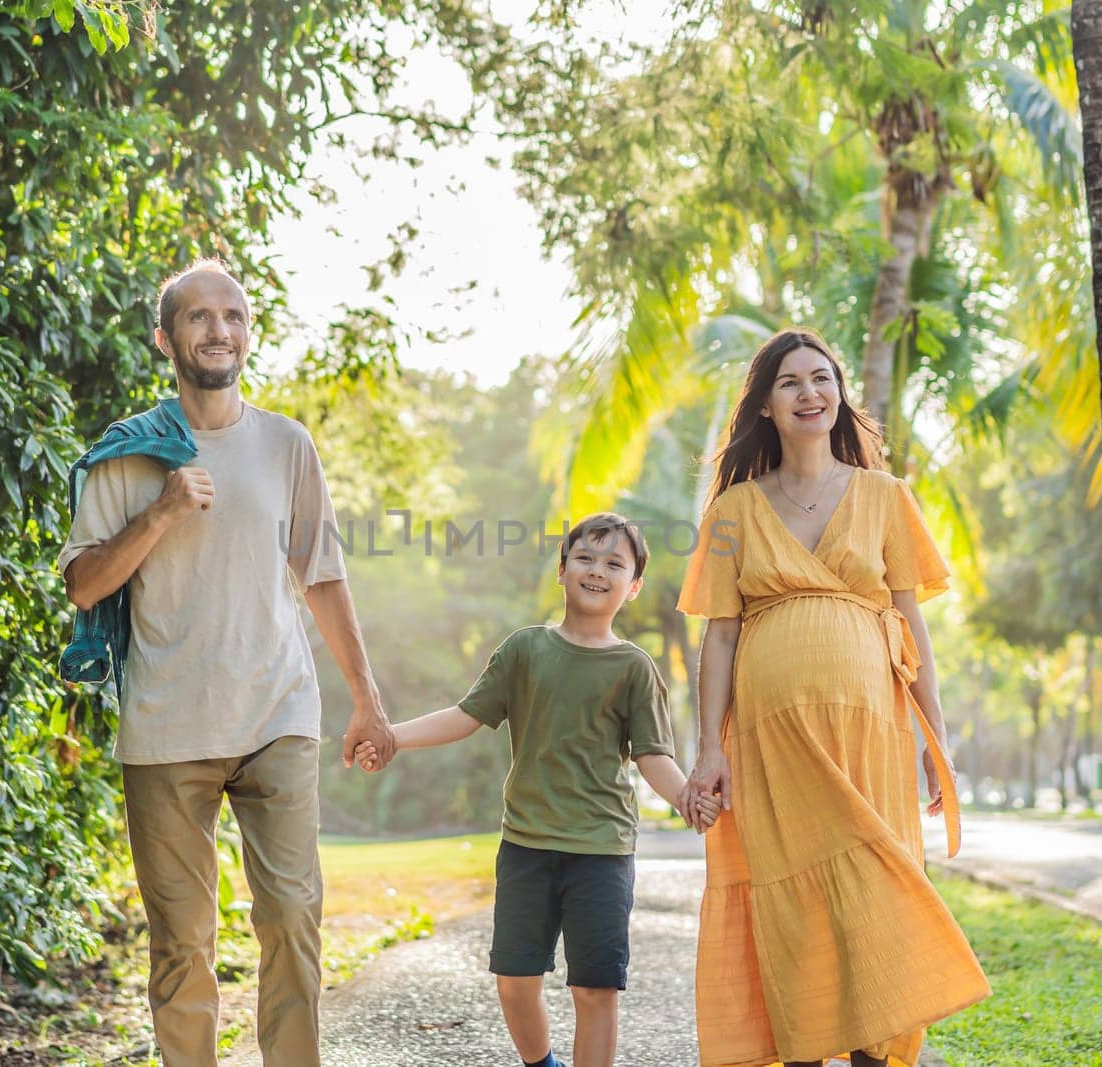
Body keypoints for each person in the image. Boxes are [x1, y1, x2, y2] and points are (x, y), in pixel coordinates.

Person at [57, 259, 396, 1067]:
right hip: (166, 724)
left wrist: (366, 700)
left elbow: (322, 573)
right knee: (181, 944)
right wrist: (162, 511)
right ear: (165, 337)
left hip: (277, 709)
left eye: (233, 315)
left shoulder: (285, 444)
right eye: (200, 317)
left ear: (249, 333)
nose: (219, 330)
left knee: (290, 917)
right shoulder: (125, 453)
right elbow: (83, 585)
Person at [677, 329, 989, 1067]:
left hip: (871, 733)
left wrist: (934, 739)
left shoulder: (884, 496)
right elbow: (719, 637)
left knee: (874, 897)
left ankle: (873, 1056)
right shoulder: (733, 511)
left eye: (822, 378)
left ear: (840, 394)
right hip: (770, 744)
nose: (810, 392)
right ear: (765, 407)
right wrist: (708, 748)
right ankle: (807, 1052)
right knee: (796, 911)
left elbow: (912, 623)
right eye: (790, 382)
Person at [353, 513, 720, 1067]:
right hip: (526, 847)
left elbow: (652, 755)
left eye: (614, 564)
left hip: (601, 852)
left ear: (634, 585)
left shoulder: (634, 667)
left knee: (595, 991)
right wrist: (392, 737)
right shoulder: (525, 650)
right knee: (514, 982)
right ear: (562, 570)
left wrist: (686, 796)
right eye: (586, 558)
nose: (598, 571)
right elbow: (466, 715)